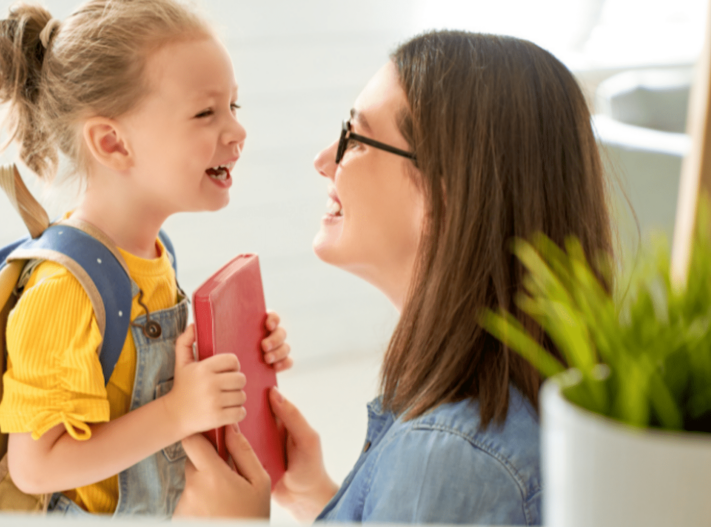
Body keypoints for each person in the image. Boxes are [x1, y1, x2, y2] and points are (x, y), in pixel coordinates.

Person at [172, 30, 612, 525]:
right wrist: (314, 495)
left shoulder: (447, 459)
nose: (323, 162)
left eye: (355, 139)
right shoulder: (487, 422)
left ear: (445, 197)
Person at [0, 0, 293, 517]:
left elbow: (130, 389)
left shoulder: (155, 255)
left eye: (233, 107)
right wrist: (178, 411)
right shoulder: (63, 289)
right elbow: (37, 466)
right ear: (112, 142)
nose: (236, 132)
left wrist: (234, 358)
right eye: (206, 112)